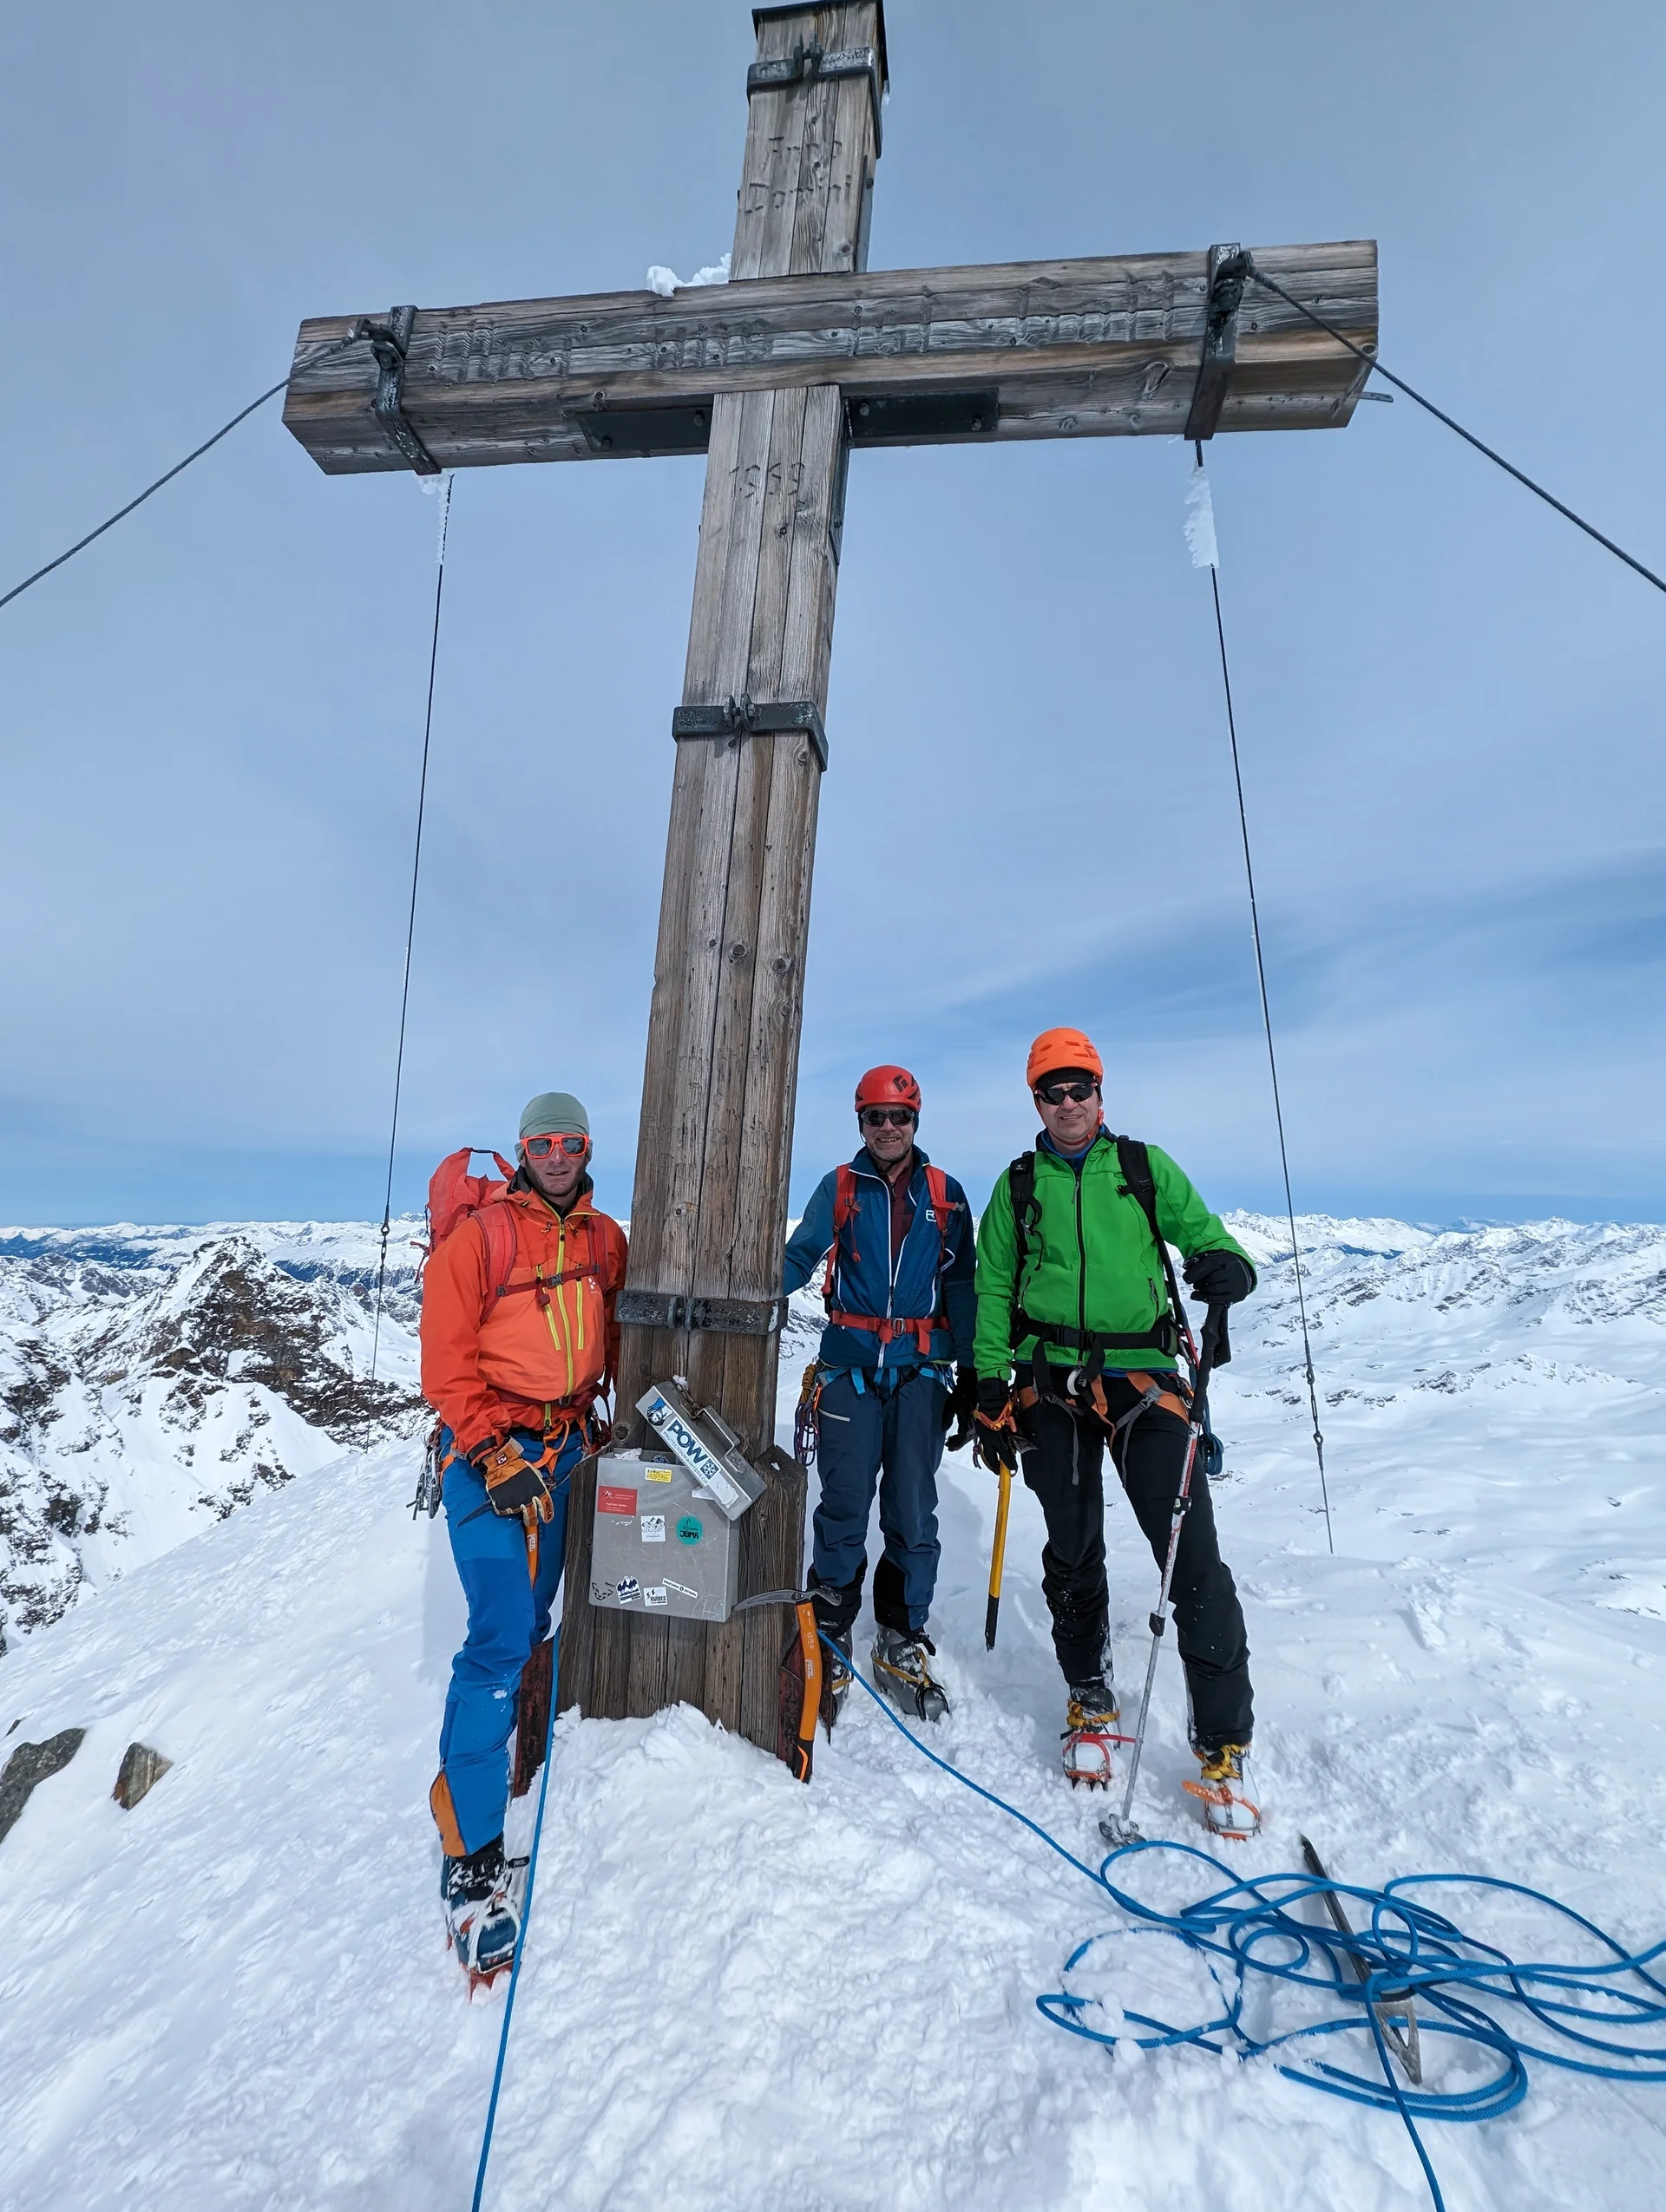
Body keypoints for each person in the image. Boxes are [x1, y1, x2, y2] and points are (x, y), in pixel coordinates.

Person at [971, 1028, 1261, 1836]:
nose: (1067, 1103)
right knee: (1072, 1547)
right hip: (1049, 1381)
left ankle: (1222, 1740)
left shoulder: (1143, 1168)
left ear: (1101, 1092)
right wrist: (989, 1381)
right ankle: (1089, 1692)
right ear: (1035, 1101)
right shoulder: (1018, 1185)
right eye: (1051, 1091)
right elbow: (994, 1290)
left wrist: (1226, 1266)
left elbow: (1209, 1237)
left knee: (1189, 1553)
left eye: (1079, 1087)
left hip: (1143, 1380)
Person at [419, 1090, 627, 1984]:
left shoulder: (602, 1238)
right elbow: (444, 1361)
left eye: (570, 1141)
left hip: (571, 1445)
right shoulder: (481, 1238)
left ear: (586, 1149)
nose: (557, 1152)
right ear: (521, 1150)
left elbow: (616, 1326)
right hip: (492, 1453)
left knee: (538, 1619)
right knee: (501, 1630)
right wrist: (485, 1446)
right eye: (543, 1141)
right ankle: (470, 1849)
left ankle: (517, 1757)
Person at [783, 1065, 977, 1721]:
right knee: (843, 1503)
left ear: (915, 1121)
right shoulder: (840, 1189)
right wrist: (740, 1293)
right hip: (850, 1371)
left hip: (922, 1374)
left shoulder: (945, 1195)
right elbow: (799, 1256)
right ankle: (832, 1628)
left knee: (913, 1508)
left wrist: (975, 1373)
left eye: (899, 1117)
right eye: (875, 1117)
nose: (888, 1128)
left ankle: (902, 1630)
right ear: (861, 1122)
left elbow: (962, 1290)